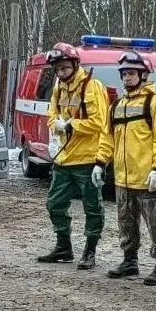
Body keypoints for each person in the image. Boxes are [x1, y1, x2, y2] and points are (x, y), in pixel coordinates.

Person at [91, 50, 156, 284]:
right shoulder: (116, 106)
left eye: (131, 73)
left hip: (148, 178)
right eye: (124, 74)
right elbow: (107, 138)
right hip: (123, 178)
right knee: (126, 222)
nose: (127, 78)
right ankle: (130, 261)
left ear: (143, 75)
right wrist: (100, 162)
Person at [36, 42, 110, 271]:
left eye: (65, 68)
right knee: (54, 203)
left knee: (92, 207)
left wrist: (70, 126)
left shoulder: (91, 86)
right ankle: (63, 247)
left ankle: (90, 251)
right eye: (57, 69)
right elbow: (51, 115)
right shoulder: (59, 88)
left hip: (87, 159)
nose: (61, 73)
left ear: (75, 65)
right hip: (65, 157)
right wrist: (56, 126)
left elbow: (99, 122)